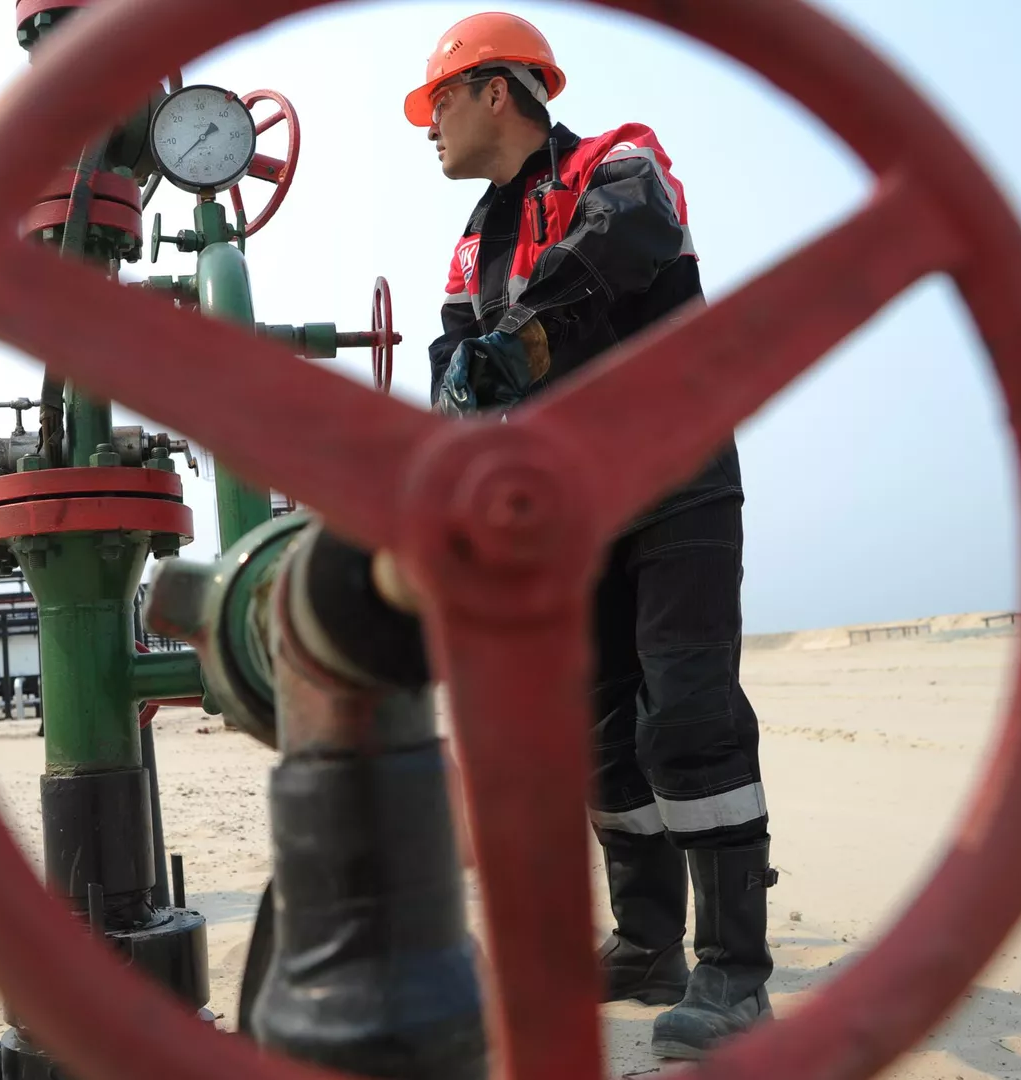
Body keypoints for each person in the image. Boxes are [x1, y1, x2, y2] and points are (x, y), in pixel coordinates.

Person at [401, 12, 777, 1061]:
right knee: (606, 735)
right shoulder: (473, 241)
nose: (426, 128)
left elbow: (620, 247)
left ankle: (736, 976)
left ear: (497, 92)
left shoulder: (622, 163)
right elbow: (452, 364)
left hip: (675, 478)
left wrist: (512, 344)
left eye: (438, 103)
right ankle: (650, 940)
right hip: (573, 508)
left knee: (688, 713)